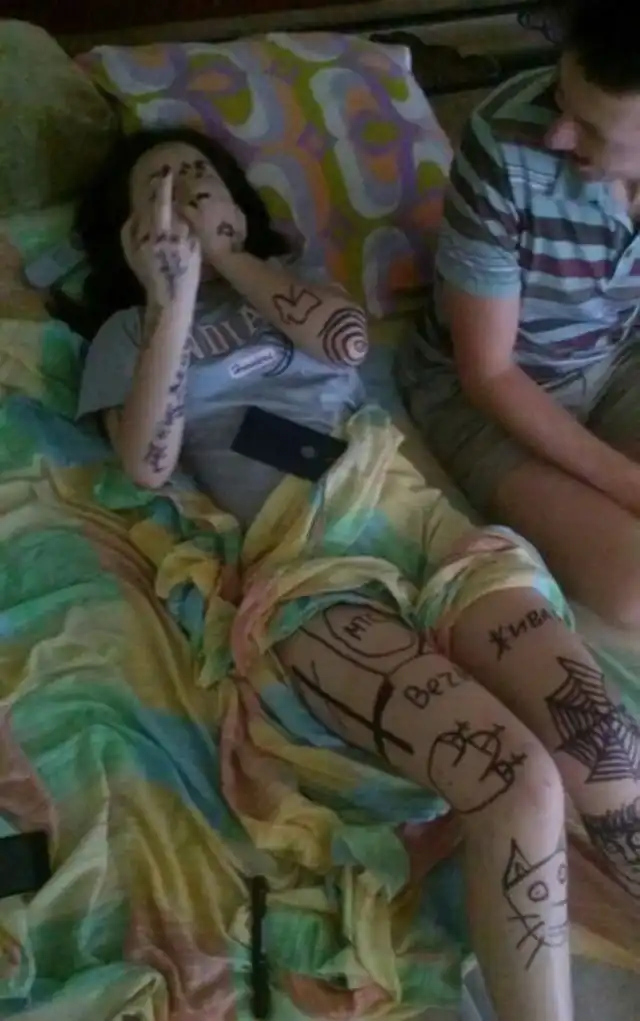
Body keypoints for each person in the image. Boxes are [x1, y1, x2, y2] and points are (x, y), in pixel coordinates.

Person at [62, 125, 639, 1021]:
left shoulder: (290, 284)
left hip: (409, 513)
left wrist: (236, 259)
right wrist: (171, 296)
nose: (185, 186)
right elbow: (146, 462)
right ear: (131, 229)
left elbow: (345, 343)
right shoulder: (126, 333)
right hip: (306, 562)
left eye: (200, 172)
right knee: (515, 779)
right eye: (159, 183)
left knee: (603, 746)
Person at [397, 1, 640, 629]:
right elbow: (489, 372)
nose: (559, 134)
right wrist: (626, 483)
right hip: (485, 392)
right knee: (634, 589)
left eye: (593, 130)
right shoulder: (504, 142)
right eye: (561, 95)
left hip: (616, 358)